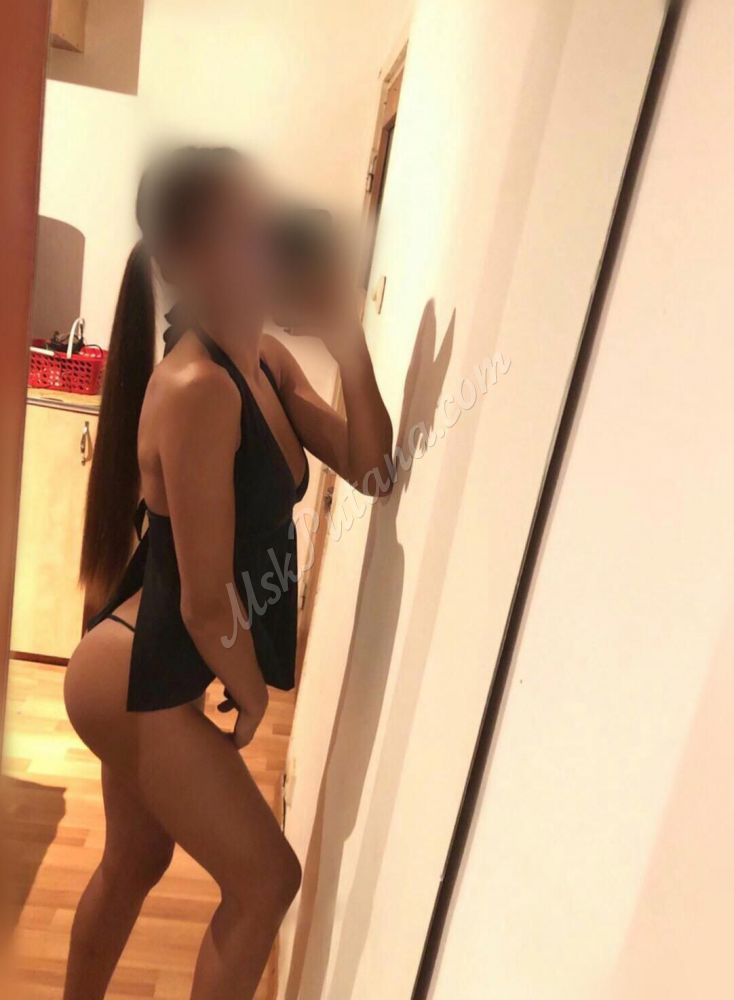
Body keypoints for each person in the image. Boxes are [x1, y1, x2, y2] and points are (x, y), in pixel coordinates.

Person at [62, 146, 393, 1000]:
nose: (266, 240)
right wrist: (249, 696)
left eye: (262, 219)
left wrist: (347, 338)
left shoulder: (265, 364)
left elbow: (372, 468)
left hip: (152, 656)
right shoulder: (198, 387)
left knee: (135, 861)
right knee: (267, 881)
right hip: (135, 670)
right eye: (240, 229)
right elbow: (208, 602)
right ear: (187, 263)